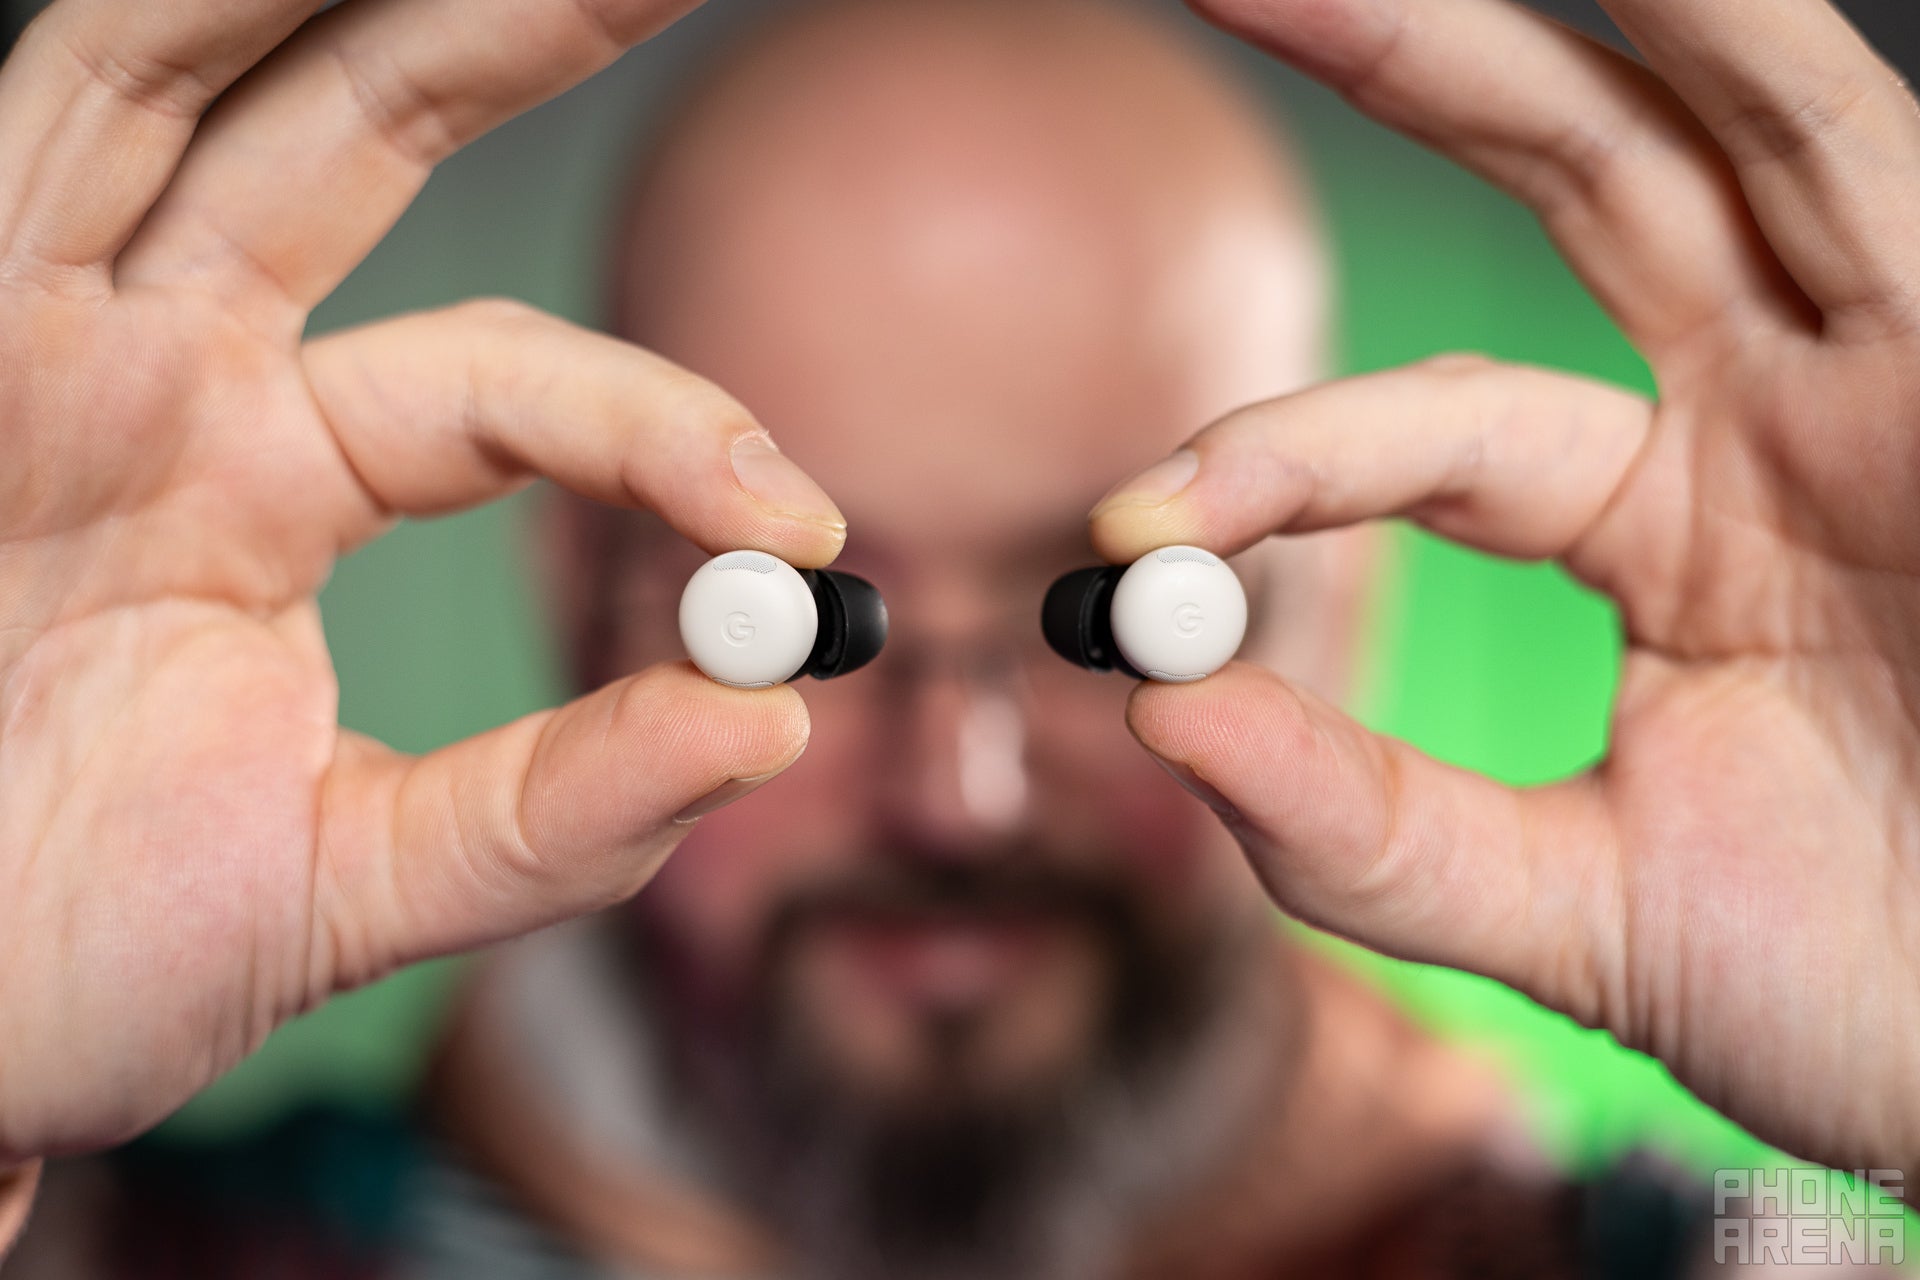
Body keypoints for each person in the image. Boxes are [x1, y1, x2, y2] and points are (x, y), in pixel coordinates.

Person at [2, 0, 1919, 1273]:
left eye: (1111, 631)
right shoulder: (97, 1235)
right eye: (811, 632)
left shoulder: (1752, 1252)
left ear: (1352, 612)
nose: (960, 789)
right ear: (576, 591)